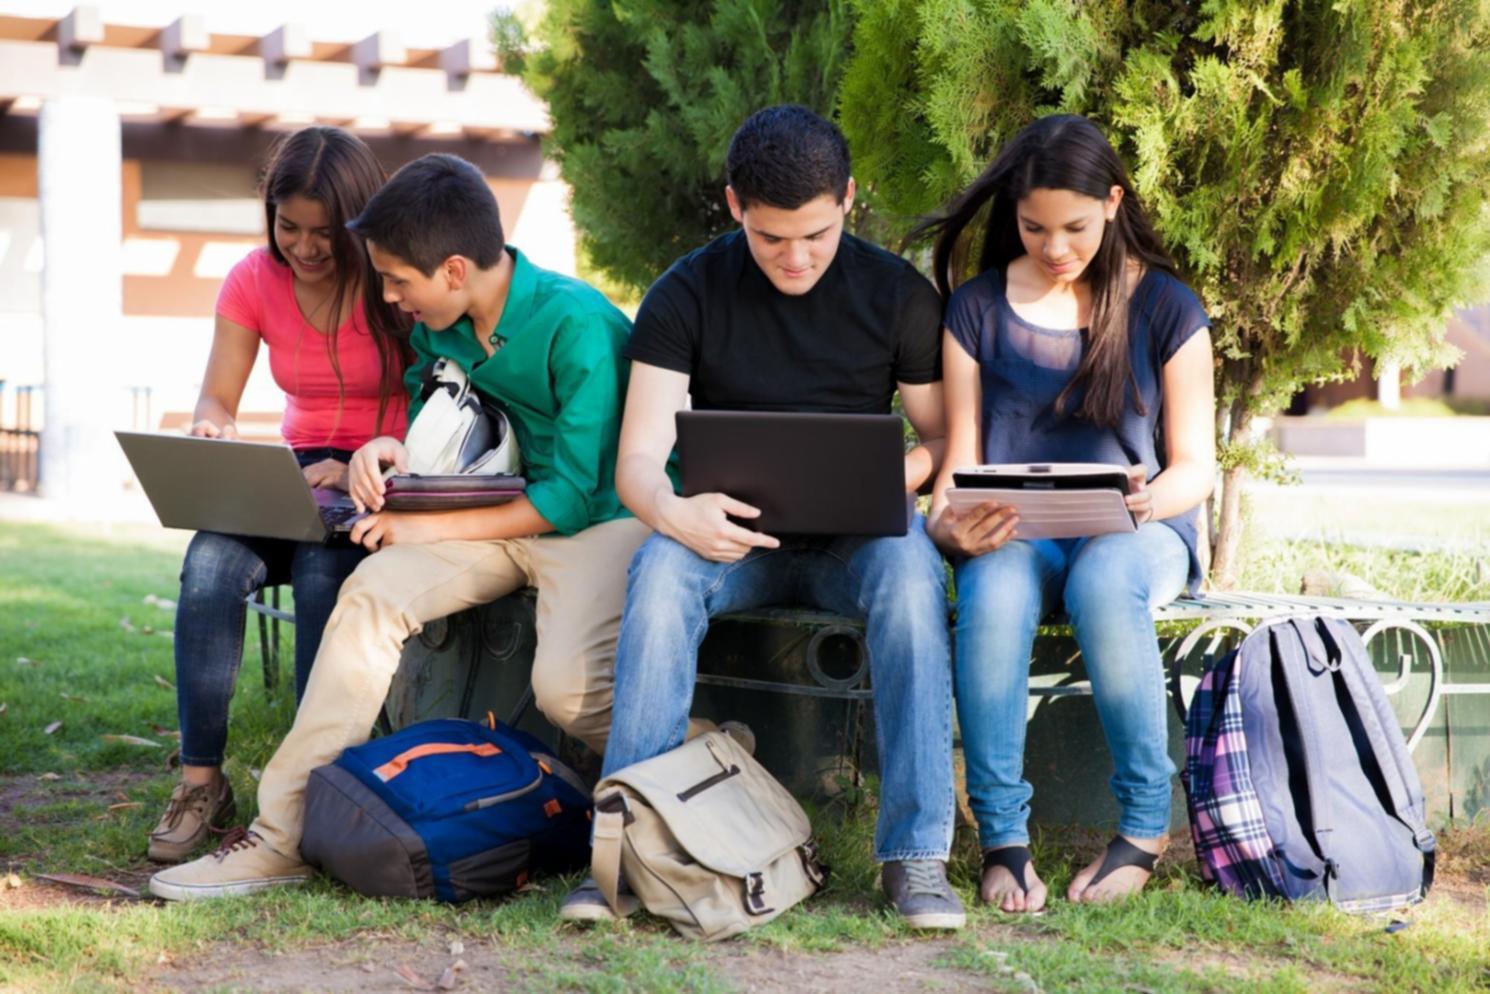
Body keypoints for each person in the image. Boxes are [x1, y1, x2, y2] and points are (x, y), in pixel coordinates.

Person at [148, 153, 646, 900]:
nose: (386, 296)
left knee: (568, 692)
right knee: (372, 592)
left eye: (395, 281)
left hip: (594, 523)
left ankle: (698, 755)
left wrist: (419, 531)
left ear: (452, 270)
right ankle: (280, 835)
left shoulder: (577, 325)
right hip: (492, 514)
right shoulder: (438, 325)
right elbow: (431, 421)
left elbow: (570, 498)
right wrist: (388, 451)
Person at [560, 105, 965, 930]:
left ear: (848, 199)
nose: (796, 256)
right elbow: (636, 463)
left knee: (915, 582)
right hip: (727, 539)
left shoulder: (897, 296)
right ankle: (627, 854)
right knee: (661, 573)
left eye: (815, 234)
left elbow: (941, 436)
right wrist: (676, 512)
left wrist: (904, 472)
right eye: (773, 236)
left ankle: (917, 857)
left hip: (859, 539)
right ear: (736, 203)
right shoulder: (685, 293)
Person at [920, 114, 1215, 913]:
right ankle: (1004, 842)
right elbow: (958, 467)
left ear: (1114, 202)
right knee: (993, 591)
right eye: (1034, 227)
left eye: (1076, 228)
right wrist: (947, 524)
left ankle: (1146, 826)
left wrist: (1150, 498)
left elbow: (1196, 467)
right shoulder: (976, 310)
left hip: (1140, 528)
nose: (1055, 247)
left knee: (1103, 585)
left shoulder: (1167, 307)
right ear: (1014, 211)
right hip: (1020, 531)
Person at [147, 126, 409, 864]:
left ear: (356, 223)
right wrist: (212, 428)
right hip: (291, 474)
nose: (304, 246)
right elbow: (219, 397)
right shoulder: (251, 280)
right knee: (209, 569)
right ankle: (202, 780)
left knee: (326, 577)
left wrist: (368, 462)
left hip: (378, 477)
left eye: (323, 232)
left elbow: (440, 397)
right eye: (288, 226)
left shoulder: (391, 282)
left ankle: (308, 789)